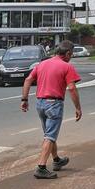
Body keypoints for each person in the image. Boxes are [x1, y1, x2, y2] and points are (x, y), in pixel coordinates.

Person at [21, 40, 82, 179]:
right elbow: (72, 88)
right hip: (54, 104)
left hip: (40, 103)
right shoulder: (66, 66)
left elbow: (27, 80)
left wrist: (24, 100)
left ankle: (56, 160)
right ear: (67, 53)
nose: (71, 57)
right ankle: (41, 167)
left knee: (49, 133)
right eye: (71, 54)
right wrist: (78, 107)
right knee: (49, 136)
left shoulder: (42, 64)